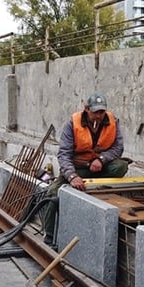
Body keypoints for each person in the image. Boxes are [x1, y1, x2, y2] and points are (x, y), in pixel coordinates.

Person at [41, 93, 129, 247]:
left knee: (121, 166)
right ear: (87, 109)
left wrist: (101, 159)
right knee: (53, 194)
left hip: (99, 167)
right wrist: (72, 176)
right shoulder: (72, 125)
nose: (99, 116)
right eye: (95, 112)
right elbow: (64, 154)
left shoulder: (112, 122)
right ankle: (49, 235)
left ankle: (101, 187)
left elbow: (118, 148)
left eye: (101, 112)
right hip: (78, 168)